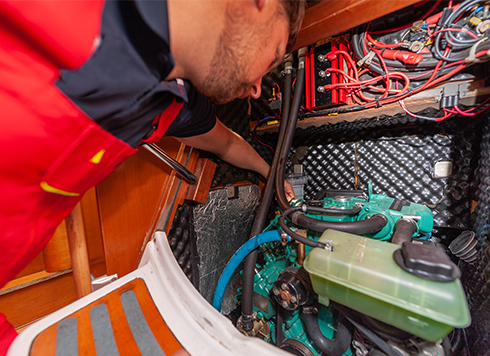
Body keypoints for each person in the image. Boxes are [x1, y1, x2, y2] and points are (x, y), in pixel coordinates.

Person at [0, 0, 305, 353]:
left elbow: (225, 144)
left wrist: (270, 171)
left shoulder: (174, 103)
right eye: (274, 55)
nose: (257, 89)